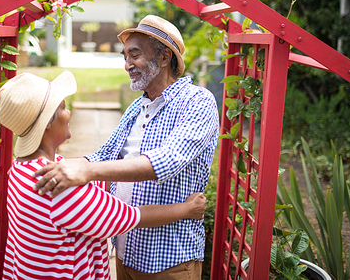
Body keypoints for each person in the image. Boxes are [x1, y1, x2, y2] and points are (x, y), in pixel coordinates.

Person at [33, 15, 220, 279]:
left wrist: (88, 171)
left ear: (165, 58)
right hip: (126, 253)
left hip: (169, 261)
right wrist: (64, 166)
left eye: (135, 55)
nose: (127, 65)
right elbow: (105, 155)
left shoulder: (197, 101)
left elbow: (168, 160)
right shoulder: (137, 107)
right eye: (124, 57)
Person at [0, 71, 207, 280]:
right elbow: (133, 216)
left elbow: (98, 171)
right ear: (47, 124)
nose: (68, 112)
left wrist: (89, 170)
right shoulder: (58, 188)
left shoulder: (20, 169)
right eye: (62, 107)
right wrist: (187, 209)